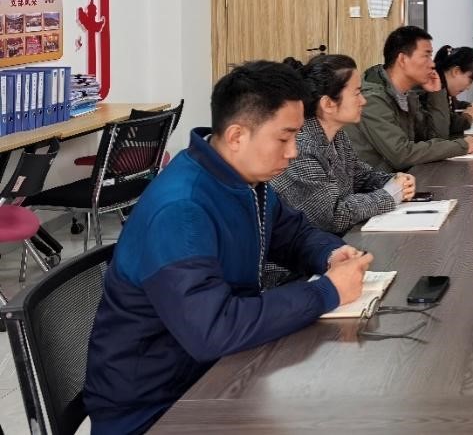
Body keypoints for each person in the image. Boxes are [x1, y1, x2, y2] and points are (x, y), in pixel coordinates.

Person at [84, 61, 373, 435]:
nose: (293, 152)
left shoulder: (243, 178)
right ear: (237, 136)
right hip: (155, 409)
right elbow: (213, 330)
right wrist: (325, 292)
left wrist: (330, 254)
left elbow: (294, 233)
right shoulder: (182, 210)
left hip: (216, 372)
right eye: (284, 138)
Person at [272, 54, 416, 234]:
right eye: (357, 93)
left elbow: (360, 177)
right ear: (328, 104)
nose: (363, 101)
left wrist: (394, 181)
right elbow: (332, 217)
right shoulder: (302, 147)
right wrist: (389, 195)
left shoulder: (337, 135)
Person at [353, 25, 473, 171]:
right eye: (426, 56)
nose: (432, 64)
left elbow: (437, 136)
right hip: (377, 183)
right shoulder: (371, 99)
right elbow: (401, 155)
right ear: (403, 60)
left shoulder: (407, 95)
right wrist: (461, 146)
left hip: (401, 178)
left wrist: (436, 94)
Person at [433, 44, 473, 136]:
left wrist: (469, 106)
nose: (468, 88)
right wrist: (468, 116)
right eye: (470, 81)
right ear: (456, 71)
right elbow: (446, 124)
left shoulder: (444, 86)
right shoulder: (434, 89)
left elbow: (453, 105)